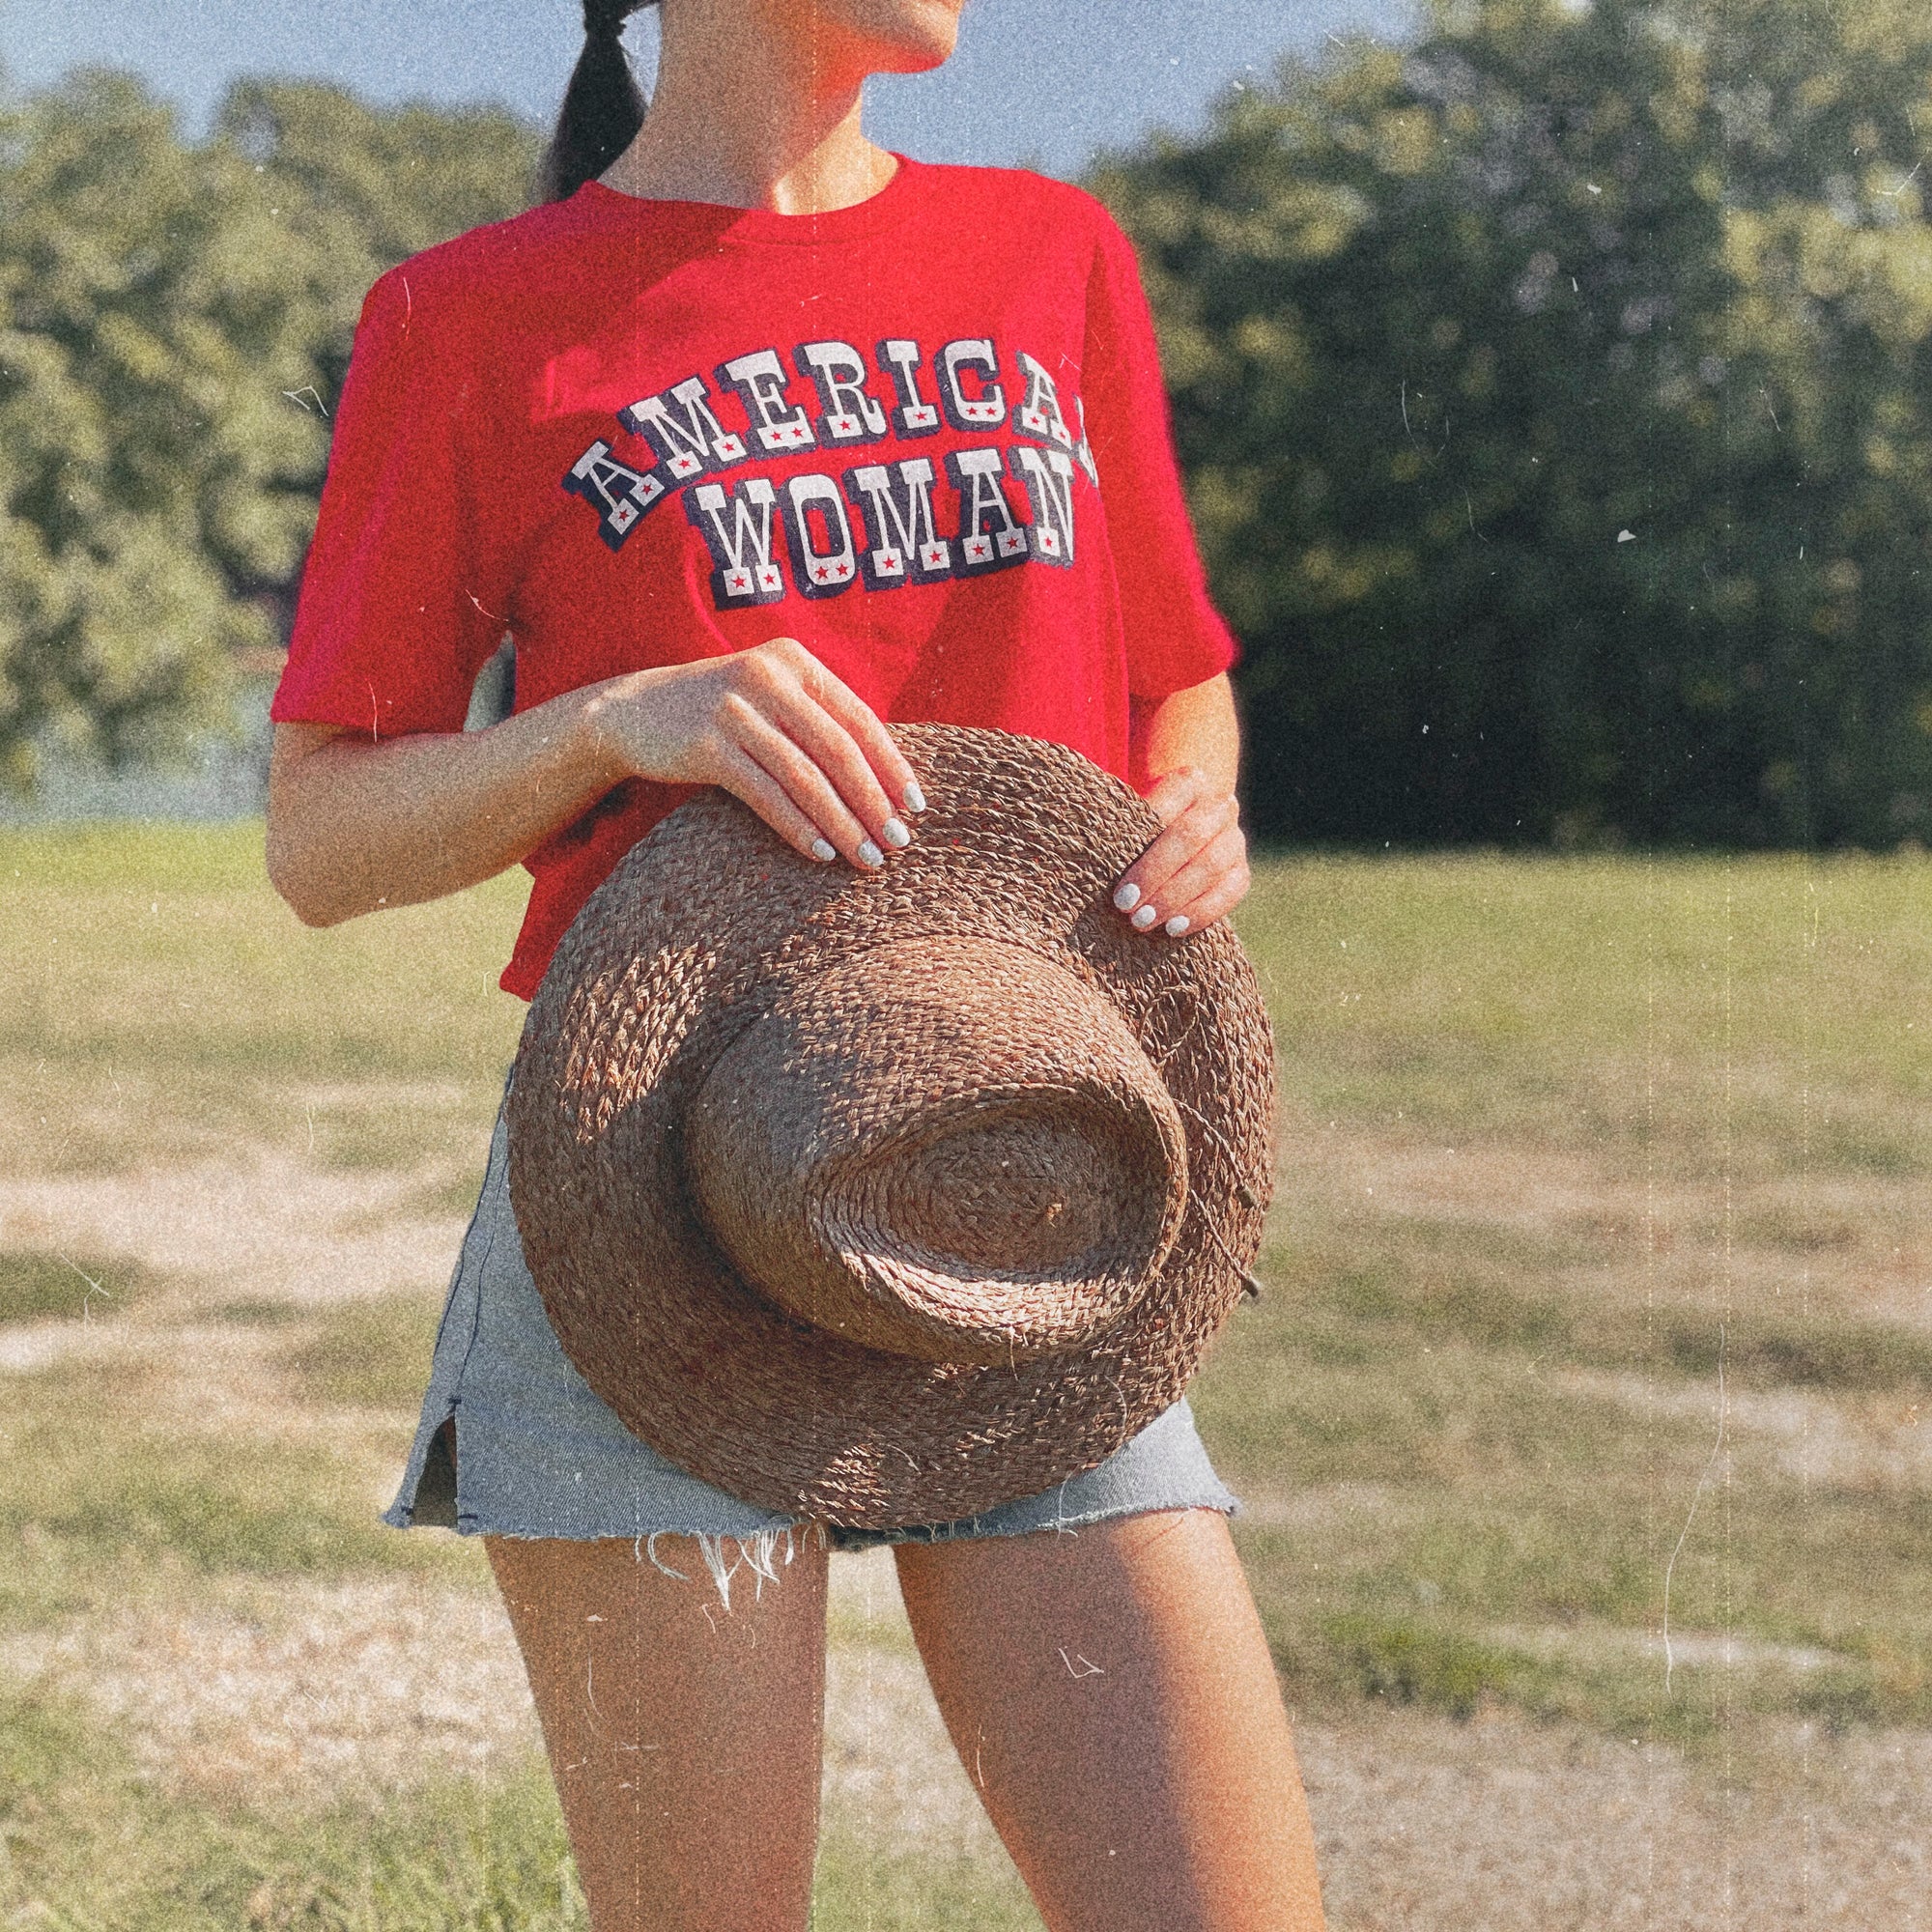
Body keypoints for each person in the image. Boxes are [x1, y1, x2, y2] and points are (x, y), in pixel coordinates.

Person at [264, 2, 1328, 1926]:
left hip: (1029, 1169)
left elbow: (1181, 682)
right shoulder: (469, 315)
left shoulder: (1051, 257)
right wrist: (607, 723)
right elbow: (320, 839)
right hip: (647, 1195)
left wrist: (1191, 811)